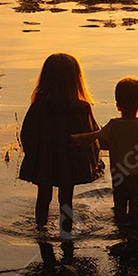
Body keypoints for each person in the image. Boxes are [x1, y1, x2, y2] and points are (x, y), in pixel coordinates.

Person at [19, 53, 101, 239]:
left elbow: (27, 133)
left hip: (45, 161)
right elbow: (90, 136)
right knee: (66, 200)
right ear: (76, 79)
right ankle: (66, 236)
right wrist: (92, 162)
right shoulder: (81, 108)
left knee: (43, 197)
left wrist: (32, 155)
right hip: (69, 163)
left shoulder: (39, 106)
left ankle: (40, 232)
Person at [74, 77, 138, 225]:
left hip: (119, 175)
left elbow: (95, 136)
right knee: (136, 209)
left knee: (119, 209)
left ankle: (121, 231)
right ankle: (136, 232)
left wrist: (74, 139)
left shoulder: (113, 125)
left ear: (118, 104)